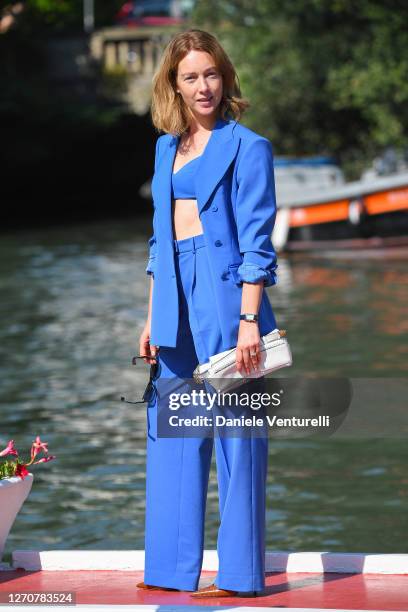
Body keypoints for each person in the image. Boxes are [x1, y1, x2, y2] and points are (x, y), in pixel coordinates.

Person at [137, 28, 279, 598]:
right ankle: (171, 571)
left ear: (226, 78)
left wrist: (249, 322)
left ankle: (241, 577)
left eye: (211, 74)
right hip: (173, 298)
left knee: (239, 437)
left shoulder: (250, 147)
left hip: (228, 303)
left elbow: (257, 246)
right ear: (173, 83)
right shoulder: (165, 148)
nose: (204, 87)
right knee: (173, 432)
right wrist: (151, 317)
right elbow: (158, 241)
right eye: (191, 76)